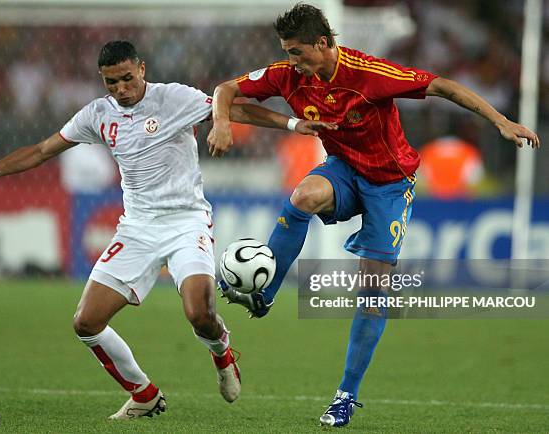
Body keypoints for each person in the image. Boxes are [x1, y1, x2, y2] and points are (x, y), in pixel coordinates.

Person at [0, 40, 334, 420]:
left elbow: (235, 108)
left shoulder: (174, 98)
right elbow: (43, 150)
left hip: (187, 221)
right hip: (136, 228)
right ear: (102, 81)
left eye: (126, 78)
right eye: (111, 83)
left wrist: (291, 124)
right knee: (86, 323)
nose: (121, 89)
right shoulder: (96, 114)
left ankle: (222, 354)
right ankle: (144, 394)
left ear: (141, 69)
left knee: (199, 314)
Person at [207, 4, 540, 428]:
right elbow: (226, 90)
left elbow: (444, 87)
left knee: (373, 288)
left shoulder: (369, 74)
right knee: (304, 194)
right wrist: (222, 121)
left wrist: (501, 121)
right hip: (345, 170)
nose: (292, 62)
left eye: (297, 52)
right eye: (287, 52)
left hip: (389, 182)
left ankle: (346, 394)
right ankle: (265, 291)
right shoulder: (287, 75)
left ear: (323, 44)